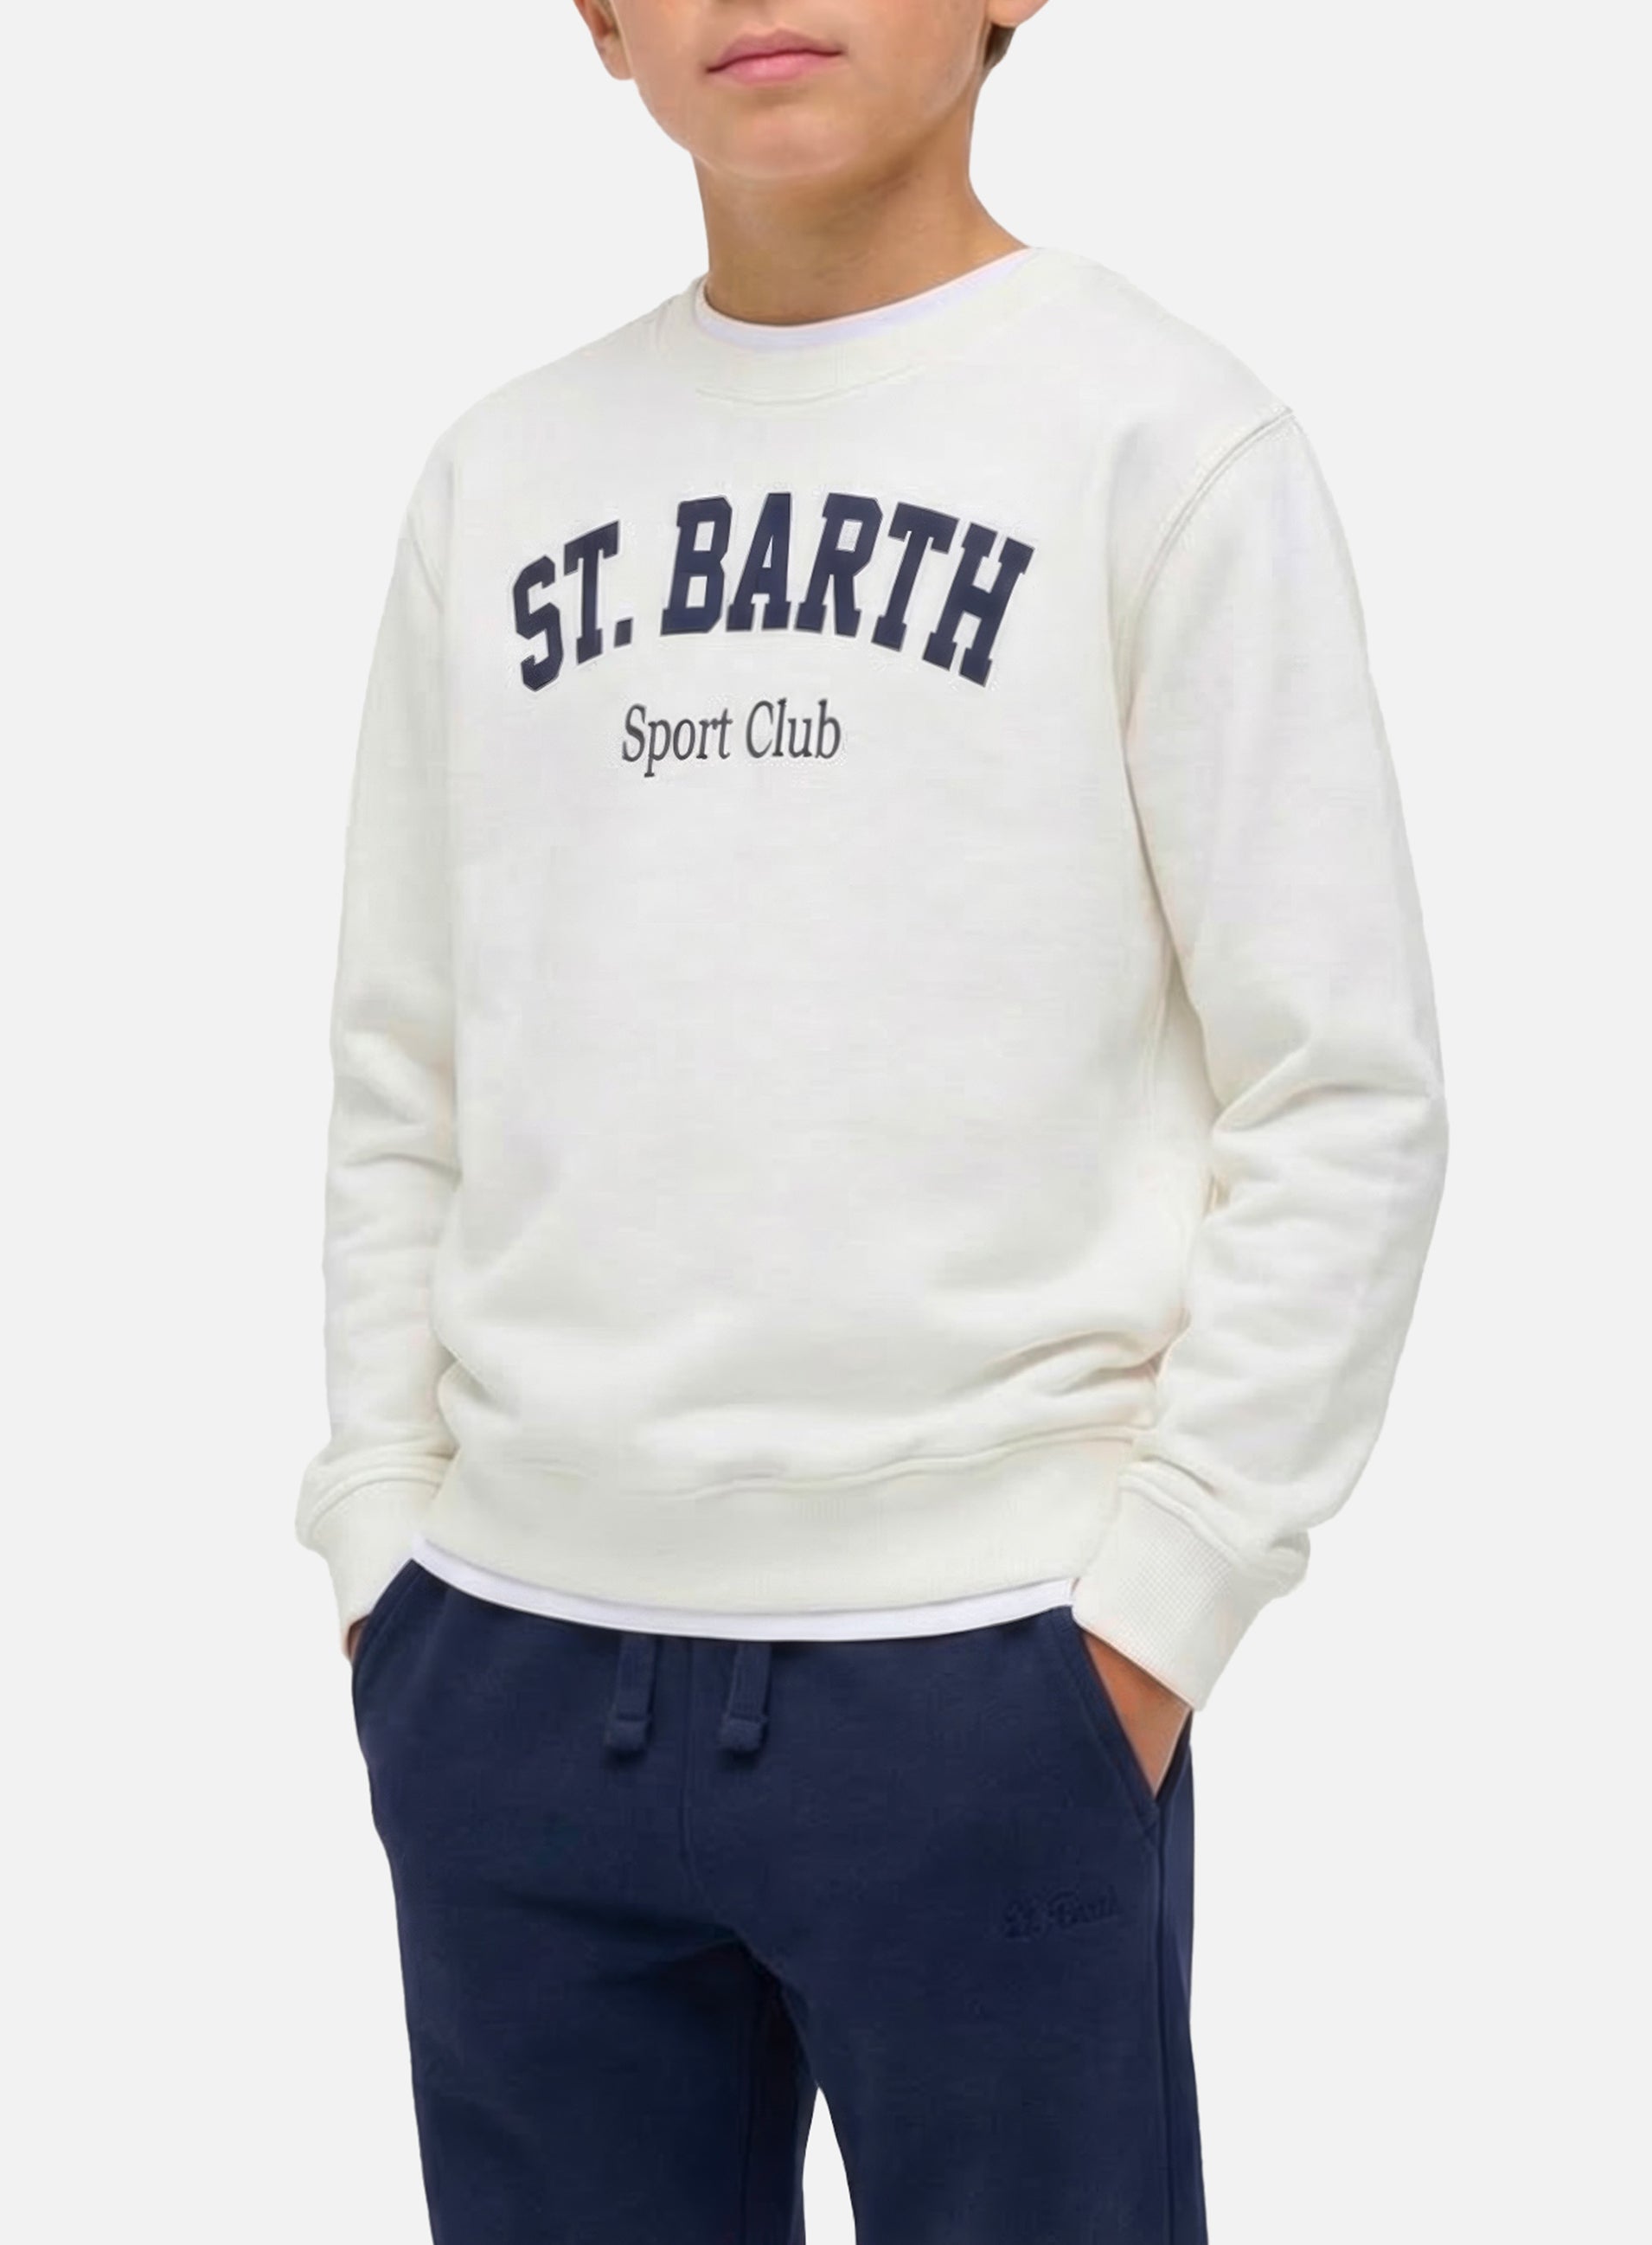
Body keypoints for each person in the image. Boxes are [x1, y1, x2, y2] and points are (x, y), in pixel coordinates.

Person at [294, 4, 1450, 2237]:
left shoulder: (1160, 437)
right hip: (507, 1663)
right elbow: (403, 1062)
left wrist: (1155, 1607)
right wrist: (382, 1548)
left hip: (986, 1664)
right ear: (597, 19)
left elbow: (1340, 1081)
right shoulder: (502, 472)